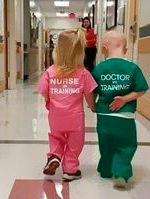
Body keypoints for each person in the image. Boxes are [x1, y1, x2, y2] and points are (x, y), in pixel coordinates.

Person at [38, 28, 97, 181]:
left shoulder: (50, 71)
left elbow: (43, 91)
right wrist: (93, 107)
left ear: (57, 51)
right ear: (80, 53)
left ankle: (54, 156)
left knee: (56, 137)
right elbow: (89, 94)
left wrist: (48, 99)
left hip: (55, 115)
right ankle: (70, 170)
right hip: (75, 117)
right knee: (75, 142)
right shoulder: (83, 73)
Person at [92, 31, 149, 188]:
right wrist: (124, 99)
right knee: (125, 144)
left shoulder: (99, 69)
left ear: (104, 48)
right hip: (125, 116)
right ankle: (121, 173)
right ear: (126, 49)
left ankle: (105, 169)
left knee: (105, 143)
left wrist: (92, 106)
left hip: (104, 115)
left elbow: (91, 90)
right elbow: (142, 89)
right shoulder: (132, 68)